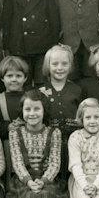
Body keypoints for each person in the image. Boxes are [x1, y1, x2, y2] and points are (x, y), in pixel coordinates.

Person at [5, 90, 66, 198]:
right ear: (22, 111)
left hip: (48, 179)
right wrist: (29, 182)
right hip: (23, 180)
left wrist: (44, 180)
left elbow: (55, 162)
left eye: (36, 109)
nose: (32, 114)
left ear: (44, 110)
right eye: (28, 109)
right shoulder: (15, 133)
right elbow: (17, 162)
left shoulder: (54, 133)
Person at [2, 0, 60, 87]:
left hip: (42, 52)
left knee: (43, 86)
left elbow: (55, 27)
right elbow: (6, 28)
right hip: (19, 51)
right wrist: (9, 51)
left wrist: (51, 51)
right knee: (22, 87)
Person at [39, 44, 83, 176]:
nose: (59, 68)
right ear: (48, 65)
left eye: (64, 64)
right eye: (55, 64)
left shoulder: (77, 90)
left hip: (73, 143)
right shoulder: (41, 91)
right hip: (49, 145)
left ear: (70, 66)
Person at [0, 55, 30, 141]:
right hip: (6, 145)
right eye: (9, 76)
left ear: (25, 78)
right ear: (2, 78)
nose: (14, 79)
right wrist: (6, 127)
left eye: (18, 76)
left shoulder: (32, 98)